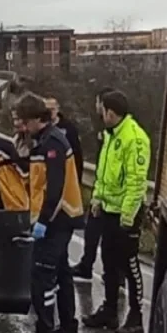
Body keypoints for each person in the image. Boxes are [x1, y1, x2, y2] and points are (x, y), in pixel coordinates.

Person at [12, 92, 84, 333]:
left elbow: (54, 187)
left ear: (34, 119)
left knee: (43, 276)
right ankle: (67, 329)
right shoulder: (45, 140)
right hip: (60, 218)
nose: (21, 126)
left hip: (57, 219)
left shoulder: (52, 143)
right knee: (62, 273)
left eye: (23, 121)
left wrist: (43, 221)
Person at [82, 90, 150, 333]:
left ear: (111, 113)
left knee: (129, 265)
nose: (101, 115)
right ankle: (109, 310)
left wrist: (128, 216)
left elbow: (136, 181)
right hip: (108, 210)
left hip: (126, 214)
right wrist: (97, 199)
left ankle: (136, 316)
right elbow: (103, 172)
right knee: (108, 262)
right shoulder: (111, 135)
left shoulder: (134, 138)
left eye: (103, 112)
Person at [71, 86, 117, 281]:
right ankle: (87, 264)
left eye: (98, 102)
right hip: (101, 191)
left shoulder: (114, 132)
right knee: (92, 233)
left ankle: (113, 276)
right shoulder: (103, 128)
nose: (95, 106)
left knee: (107, 241)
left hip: (111, 196)